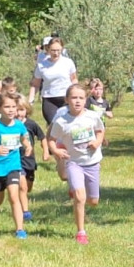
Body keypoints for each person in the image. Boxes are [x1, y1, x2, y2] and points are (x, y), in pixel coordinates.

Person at [47, 84, 104, 244]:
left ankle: (79, 195)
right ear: (67, 100)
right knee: (80, 197)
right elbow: (51, 139)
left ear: (85, 100)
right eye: (74, 98)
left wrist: (97, 141)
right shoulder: (61, 121)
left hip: (92, 162)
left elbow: (100, 130)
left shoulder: (92, 117)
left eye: (81, 98)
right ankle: (81, 232)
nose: (77, 101)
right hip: (73, 163)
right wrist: (56, 152)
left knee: (93, 202)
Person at [0, 92, 32, 239]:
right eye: (7, 107)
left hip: (13, 166)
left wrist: (28, 147)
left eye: (13, 107)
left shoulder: (19, 125)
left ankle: (20, 229)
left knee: (13, 196)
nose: (11, 110)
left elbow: (25, 140)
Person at [29, 37, 77, 126]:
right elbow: (35, 85)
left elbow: (74, 79)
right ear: (48, 49)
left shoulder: (68, 62)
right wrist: (30, 101)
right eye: (53, 50)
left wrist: (76, 94)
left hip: (66, 98)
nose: (56, 53)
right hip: (49, 99)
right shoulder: (41, 65)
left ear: (62, 49)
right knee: (54, 125)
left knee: (68, 125)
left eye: (58, 50)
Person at [17, 100, 48, 222]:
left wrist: (45, 151)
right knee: (22, 187)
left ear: (27, 111)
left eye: (22, 110)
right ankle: (25, 211)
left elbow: (42, 137)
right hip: (16, 160)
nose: (19, 113)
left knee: (28, 187)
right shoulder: (10, 124)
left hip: (29, 160)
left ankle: (22, 200)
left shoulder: (31, 124)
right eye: (17, 110)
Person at [85, 78, 114, 146]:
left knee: (98, 142)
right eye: (96, 89)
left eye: (100, 89)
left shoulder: (105, 102)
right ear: (92, 90)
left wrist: (106, 113)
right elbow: (84, 110)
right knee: (90, 141)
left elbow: (110, 115)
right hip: (90, 125)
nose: (98, 91)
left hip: (101, 125)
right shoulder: (90, 100)